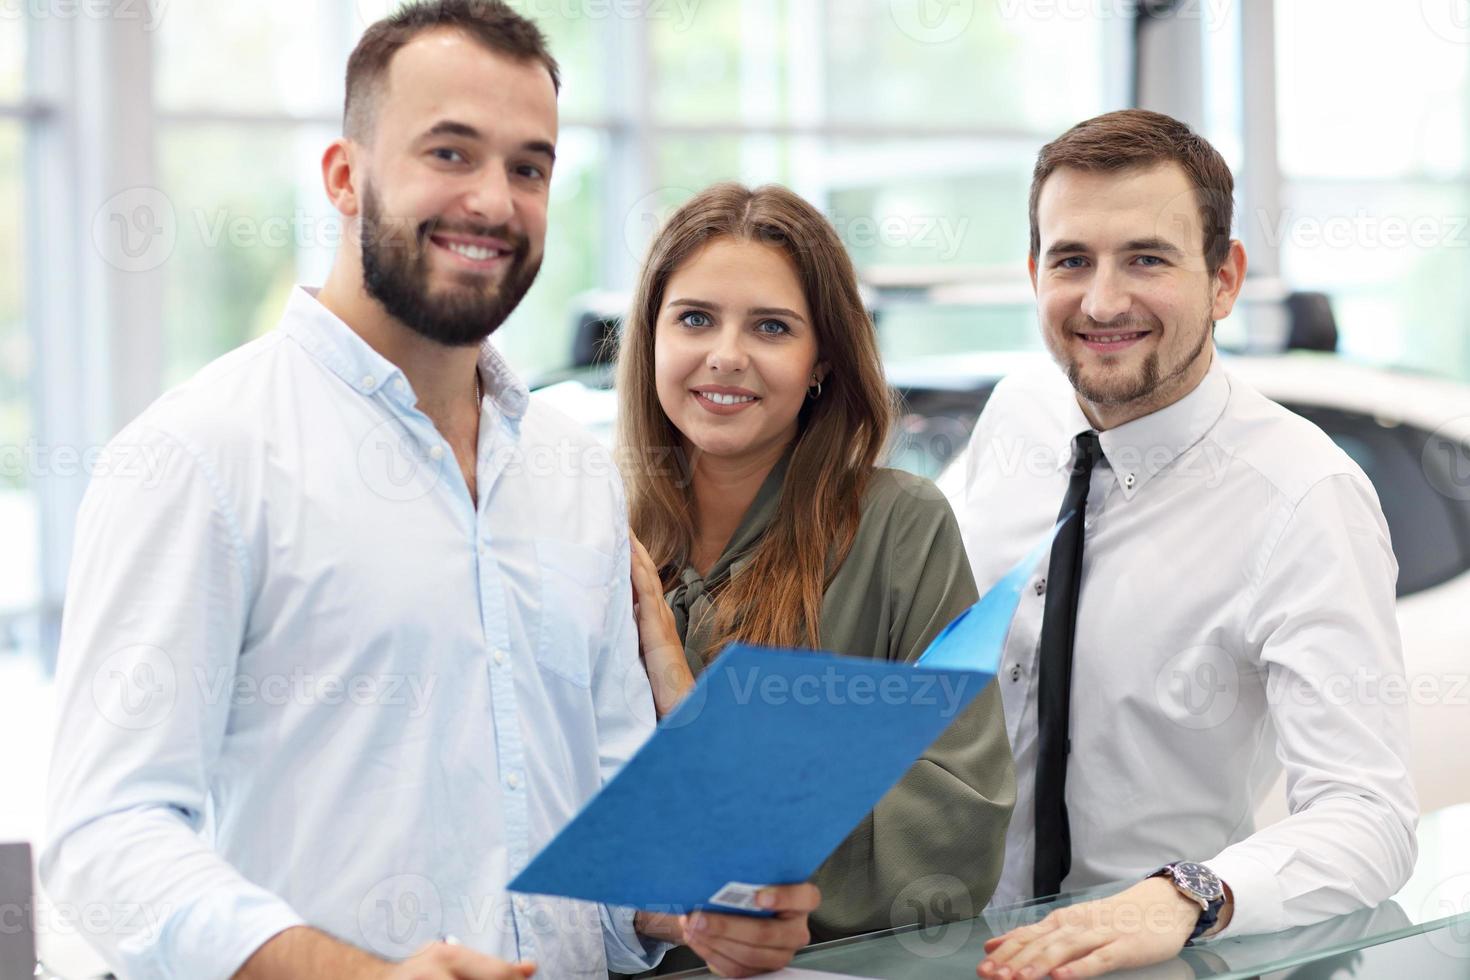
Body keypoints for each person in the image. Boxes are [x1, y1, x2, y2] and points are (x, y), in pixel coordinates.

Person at [40, 4, 815, 978]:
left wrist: (687, 907)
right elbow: (106, 835)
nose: (495, 200)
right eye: (450, 153)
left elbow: (604, 812)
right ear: (343, 175)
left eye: (528, 167)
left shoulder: (569, 470)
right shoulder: (200, 455)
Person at [940, 109, 1417, 979]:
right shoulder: (1018, 411)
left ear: (1224, 278)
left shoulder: (1307, 498)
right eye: (1071, 259)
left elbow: (1368, 816)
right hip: (945, 950)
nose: (1103, 300)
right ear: (1033, 271)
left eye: (1148, 258)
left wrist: (1187, 894)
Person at [616, 182, 1016, 973]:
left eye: (771, 327)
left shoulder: (899, 527)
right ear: (651, 338)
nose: (726, 355)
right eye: (695, 318)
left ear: (821, 360)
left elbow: (957, 821)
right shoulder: (595, 535)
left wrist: (674, 676)